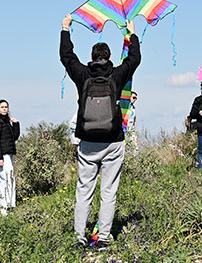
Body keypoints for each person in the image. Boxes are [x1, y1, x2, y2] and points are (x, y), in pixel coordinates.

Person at [61, 14, 142, 249]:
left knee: (84, 191)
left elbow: (66, 56)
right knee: (109, 191)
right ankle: (104, 238)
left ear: (91, 58)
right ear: (109, 58)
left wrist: (66, 29)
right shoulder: (116, 75)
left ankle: (79, 237)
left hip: (87, 142)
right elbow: (134, 59)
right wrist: (131, 33)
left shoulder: (82, 74)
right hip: (113, 141)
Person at [0, 99, 20, 215]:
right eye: (2, 107)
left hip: (8, 154)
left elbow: (14, 138)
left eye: (6, 107)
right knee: (5, 178)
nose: (5, 109)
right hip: (2, 155)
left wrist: (15, 124)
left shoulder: (5, 122)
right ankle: (3, 207)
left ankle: (3, 204)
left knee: (6, 178)